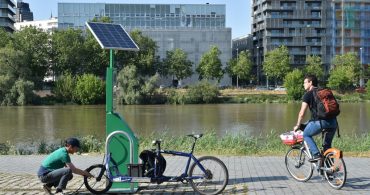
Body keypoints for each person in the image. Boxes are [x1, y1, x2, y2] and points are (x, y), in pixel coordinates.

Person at [293, 75, 338, 162]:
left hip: (321, 122)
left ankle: (316, 154)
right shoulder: (325, 91)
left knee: (306, 134)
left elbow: (302, 113)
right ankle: (329, 172)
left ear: (310, 83)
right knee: (327, 147)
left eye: (305, 82)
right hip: (333, 122)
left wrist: (298, 125)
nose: (303, 84)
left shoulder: (308, 94)